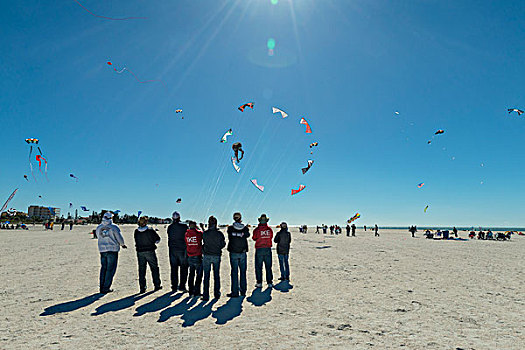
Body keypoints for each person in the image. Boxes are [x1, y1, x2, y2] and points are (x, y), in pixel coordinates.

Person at [96, 212, 126, 294]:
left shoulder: (99, 227)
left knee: (103, 268)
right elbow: (119, 237)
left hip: (102, 250)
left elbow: (98, 237)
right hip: (112, 250)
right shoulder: (114, 227)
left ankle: (102, 286)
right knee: (110, 269)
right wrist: (122, 244)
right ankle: (106, 287)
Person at [134, 216, 162, 293]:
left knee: (142, 270)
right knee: (154, 268)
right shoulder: (150, 230)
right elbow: (158, 239)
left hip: (140, 252)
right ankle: (157, 285)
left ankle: (142, 287)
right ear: (146, 222)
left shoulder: (136, 231)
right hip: (150, 251)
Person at [201, 216, 225, 301]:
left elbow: (203, 241)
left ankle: (205, 295)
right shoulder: (219, 234)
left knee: (206, 276)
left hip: (207, 256)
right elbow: (223, 244)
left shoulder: (205, 233)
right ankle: (216, 294)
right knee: (216, 275)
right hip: (216, 255)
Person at [226, 212, 250, 297]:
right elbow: (247, 235)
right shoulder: (245, 228)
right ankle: (243, 291)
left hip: (233, 252)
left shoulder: (230, 228)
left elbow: (229, 237)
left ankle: (235, 292)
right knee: (243, 272)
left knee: (234, 272)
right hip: (242, 252)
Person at [167, 211, 189, 292]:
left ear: (172, 218)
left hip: (172, 250)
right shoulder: (184, 226)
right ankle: (182, 286)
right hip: (182, 250)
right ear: (179, 218)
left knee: (174, 268)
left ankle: (174, 286)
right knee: (184, 268)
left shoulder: (170, 227)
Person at [252, 214, 274, 288]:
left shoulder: (257, 230)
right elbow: (271, 237)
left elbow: (254, 238)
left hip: (259, 249)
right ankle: (269, 282)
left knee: (258, 266)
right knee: (268, 266)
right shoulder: (269, 229)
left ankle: (259, 282)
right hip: (267, 249)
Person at [185, 221, 203, 297]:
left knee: (191, 274)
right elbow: (203, 235)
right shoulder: (198, 233)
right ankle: (197, 291)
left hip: (190, 256)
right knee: (198, 275)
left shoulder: (186, 234)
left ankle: (191, 290)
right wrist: (201, 228)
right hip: (197, 256)